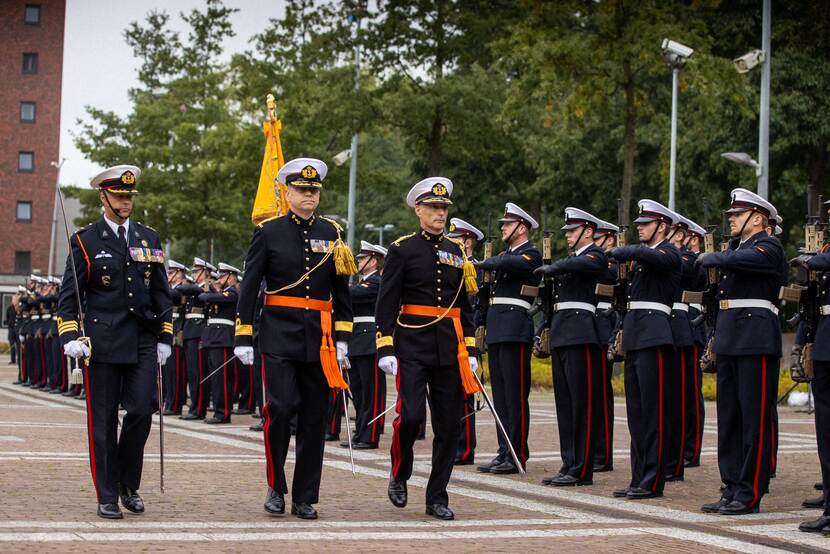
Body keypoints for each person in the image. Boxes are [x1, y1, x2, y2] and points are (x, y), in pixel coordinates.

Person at [233, 157, 354, 520]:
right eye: (302, 190)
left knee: (315, 417)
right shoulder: (268, 232)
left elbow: (341, 290)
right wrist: (242, 333)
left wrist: (343, 334)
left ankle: (305, 495)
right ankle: (275, 485)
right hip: (278, 334)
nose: (309, 197)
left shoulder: (332, 233)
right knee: (280, 409)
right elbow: (250, 285)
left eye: (314, 191)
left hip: (319, 338)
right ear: (286, 192)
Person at [57, 164, 173, 520]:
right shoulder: (85, 241)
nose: (125, 202)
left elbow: (160, 293)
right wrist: (70, 335)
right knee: (103, 421)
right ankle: (107, 493)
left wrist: (165, 335)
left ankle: (127, 482)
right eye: (119, 196)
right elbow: (68, 297)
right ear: (103, 197)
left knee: (141, 411)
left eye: (129, 196)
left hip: (141, 339)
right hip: (102, 342)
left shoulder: (148, 238)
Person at [376, 176, 479, 521]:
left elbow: (465, 305)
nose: (440, 213)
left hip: (448, 347)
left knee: (450, 426)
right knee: (412, 417)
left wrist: (472, 349)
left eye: (444, 208)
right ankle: (399, 473)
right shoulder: (402, 249)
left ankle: (437, 495)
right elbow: (387, 301)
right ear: (418, 210)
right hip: (412, 343)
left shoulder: (456, 252)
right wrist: (385, 345)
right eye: (433, 207)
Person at [699, 188, 785, 515]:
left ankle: (750, 492)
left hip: (756, 338)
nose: (732, 219)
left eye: (737, 215)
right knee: (730, 419)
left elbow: (746, 260)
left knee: (754, 420)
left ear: (758, 219)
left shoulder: (768, 246)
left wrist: (717, 257)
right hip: (731, 338)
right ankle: (731, 486)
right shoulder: (737, 248)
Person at [608, 199, 680, 500]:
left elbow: (647, 256)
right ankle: (639, 477)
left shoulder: (668, 253)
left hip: (655, 337)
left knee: (654, 413)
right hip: (637, 336)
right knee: (637, 415)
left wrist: (619, 250)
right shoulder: (642, 261)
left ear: (662, 226)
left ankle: (653, 479)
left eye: (645, 224)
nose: (641, 229)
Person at [536, 207, 607, 487]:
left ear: (588, 232)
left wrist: (555, 267)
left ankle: (583, 468)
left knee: (583, 405)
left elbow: (586, 265)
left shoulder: (594, 256)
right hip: (564, 334)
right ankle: (569, 462)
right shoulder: (572, 259)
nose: (568, 236)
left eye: (573, 231)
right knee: (565, 405)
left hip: (582, 334)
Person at [475, 203, 542, 475]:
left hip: (515, 329)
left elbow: (508, 263)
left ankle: (518, 453)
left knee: (515, 396)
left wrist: (486, 261)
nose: (503, 227)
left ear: (521, 227)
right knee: (501, 398)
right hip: (499, 330)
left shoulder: (530, 255)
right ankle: (505, 451)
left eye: (508, 223)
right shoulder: (503, 255)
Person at [343, 241, 387, 449]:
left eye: (362, 258)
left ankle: (371, 434)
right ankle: (361, 431)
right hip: (357, 340)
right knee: (359, 392)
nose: (358, 261)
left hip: (370, 340)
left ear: (374, 261)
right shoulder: (364, 283)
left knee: (372, 392)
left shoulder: (378, 282)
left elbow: (351, 295)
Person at [447, 217, 485, 465]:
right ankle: (453, 444)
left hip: (465, 336)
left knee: (464, 396)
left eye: (456, 239)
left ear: (467, 242)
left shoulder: (477, 269)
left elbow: (475, 305)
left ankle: (465, 448)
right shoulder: (450, 265)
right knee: (449, 396)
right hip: (447, 335)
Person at [677, 215, 707, 469]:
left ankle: (691, 449)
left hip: (692, 325)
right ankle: (679, 447)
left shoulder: (695, 261)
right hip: (677, 324)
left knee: (690, 393)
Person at [591, 218, 618, 472]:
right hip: (591, 328)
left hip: (603, 329)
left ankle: (603, 453)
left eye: (597, 240)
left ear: (609, 240)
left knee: (601, 396)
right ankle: (594, 450)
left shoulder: (612, 264)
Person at [200, 263, 241, 424]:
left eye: (222, 276)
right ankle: (218, 411)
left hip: (223, 339)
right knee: (216, 380)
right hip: (213, 339)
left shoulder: (232, 293)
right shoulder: (222, 293)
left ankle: (223, 413)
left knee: (223, 379)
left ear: (230, 277)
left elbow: (208, 298)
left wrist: (208, 291)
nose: (219, 279)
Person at [178, 259, 212, 420]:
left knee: (198, 373)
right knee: (192, 373)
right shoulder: (196, 289)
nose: (193, 275)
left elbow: (187, 288)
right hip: (190, 332)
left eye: (196, 272)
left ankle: (199, 409)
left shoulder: (206, 288)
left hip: (199, 332)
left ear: (205, 273)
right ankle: (194, 407)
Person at [162, 260, 188, 415]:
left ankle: (175, 404)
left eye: (171, 273)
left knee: (175, 373)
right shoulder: (171, 289)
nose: (169, 276)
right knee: (168, 373)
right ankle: (169, 402)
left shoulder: (179, 290)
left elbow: (173, 295)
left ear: (179, 274)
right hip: (169, 330)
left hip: (177, 331)